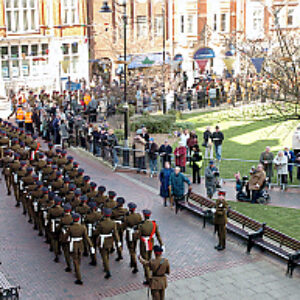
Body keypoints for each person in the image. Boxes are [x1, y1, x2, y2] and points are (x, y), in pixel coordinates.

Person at [138, 210, 164, 285]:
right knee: (149, 259)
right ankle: (150, 273)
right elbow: (158, 235)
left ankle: (148, 278)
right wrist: (161, 244)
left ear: (144, 215)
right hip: (150, 243)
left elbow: (138, 235)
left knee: (145, 261)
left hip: (143, 244)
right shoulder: (154, 224)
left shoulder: (141, 225)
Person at [67, 213, 93, 285]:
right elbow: (86, 237)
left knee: (75, 260)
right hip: (80, 244)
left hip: (74, 245)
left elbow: (66, 236)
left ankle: (79, 278)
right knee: (79, 258)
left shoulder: (70, 227)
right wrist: (91, 245)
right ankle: (77, 269)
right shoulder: (83, 227)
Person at [124, 202, 142, 274]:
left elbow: (124, 225)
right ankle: (132, 261)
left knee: (131, 250)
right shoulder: (138, 215)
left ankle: (135, 266)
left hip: (130, 234)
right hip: (136, 234)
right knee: (134, 247)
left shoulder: (127, 217)